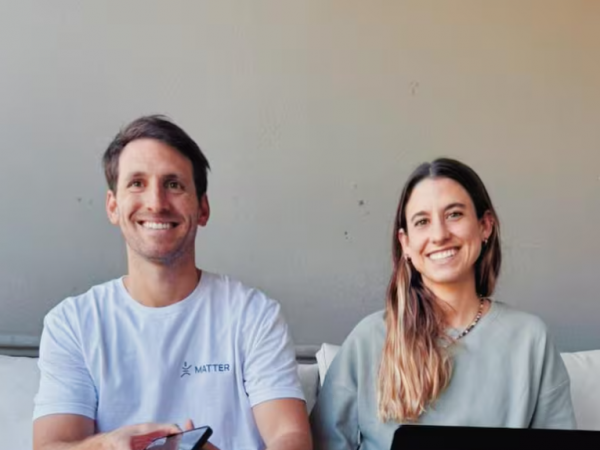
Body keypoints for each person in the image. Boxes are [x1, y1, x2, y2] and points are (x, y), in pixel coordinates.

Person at [33, 115, 312, 450]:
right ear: (113, 207)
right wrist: (107, 446)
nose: (156, 203)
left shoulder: (254, 316)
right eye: (137, 183)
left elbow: (290, 438)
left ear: (203, 209)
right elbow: (51, 446)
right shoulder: (72, 324)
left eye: (174, 184)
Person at [310, 158, 576, 450]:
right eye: (422, 221)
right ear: (405, 243)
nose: (439, 235)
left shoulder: (530, 339)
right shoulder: (370, 338)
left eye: (454, 214)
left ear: (485, 226)